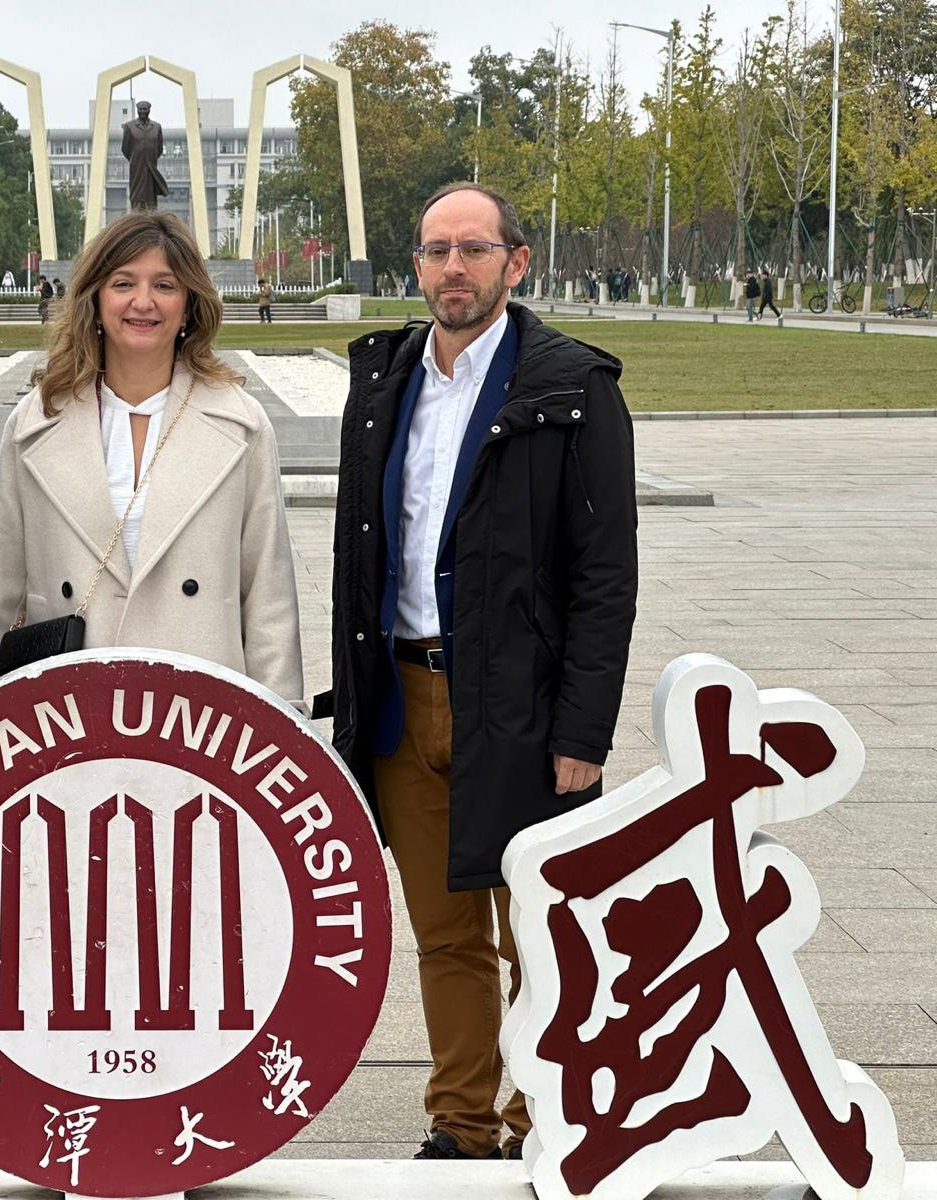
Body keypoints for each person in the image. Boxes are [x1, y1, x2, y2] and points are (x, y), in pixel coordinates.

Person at [324, 182, 638, 1162]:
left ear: (516, 261)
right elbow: (358, 556)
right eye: (433, 250)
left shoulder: (571, 388)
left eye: (471, 249)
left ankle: (547, 1117)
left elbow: (604, 579)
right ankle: (463, 1122)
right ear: (413, 264)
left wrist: (582, 736)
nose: (450, 268)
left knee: (541, 929)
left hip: (519, 705)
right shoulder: (382, 382)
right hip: (402, 701)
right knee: (446, 932)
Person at [0, 210, 302, 704]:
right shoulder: (32, 425)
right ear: (94, 296)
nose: (143, 302)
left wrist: (283, 722)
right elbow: (5, 598)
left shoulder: (242, 424)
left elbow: (268, 597)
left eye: (165, 285)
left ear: (189, 303)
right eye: (123, 282)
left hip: (206, 720)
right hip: (68, 719)